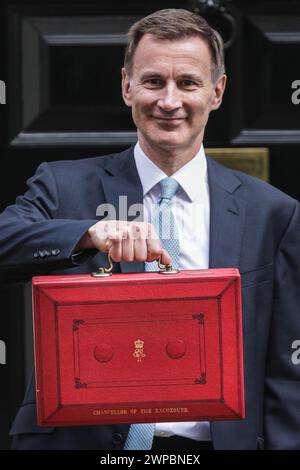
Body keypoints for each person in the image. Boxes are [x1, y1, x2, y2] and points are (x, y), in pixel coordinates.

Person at [1, 8, 300, 451]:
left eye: (188, 83)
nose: (169, 101)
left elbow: (285, 370)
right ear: (127, 86)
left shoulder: (273, 212)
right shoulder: (63, 184)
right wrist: (88, 234)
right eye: (154, 81)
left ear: (217, 92)